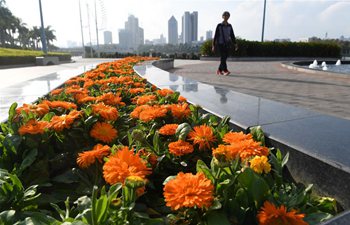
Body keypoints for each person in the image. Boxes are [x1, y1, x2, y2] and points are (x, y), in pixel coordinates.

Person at [212, 11, 238, 76]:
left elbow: (232, 35)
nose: (226, 17)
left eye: (228, 16)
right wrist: (213, 45)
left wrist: (235, 44)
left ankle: (219, 70)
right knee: (223, 57)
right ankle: (225, 70)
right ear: (222, 16)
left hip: (227, 44)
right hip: (220, 44)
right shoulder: (219, 25)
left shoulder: (230, 26)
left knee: (224, 58)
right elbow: (215, 35)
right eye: (225, 15)